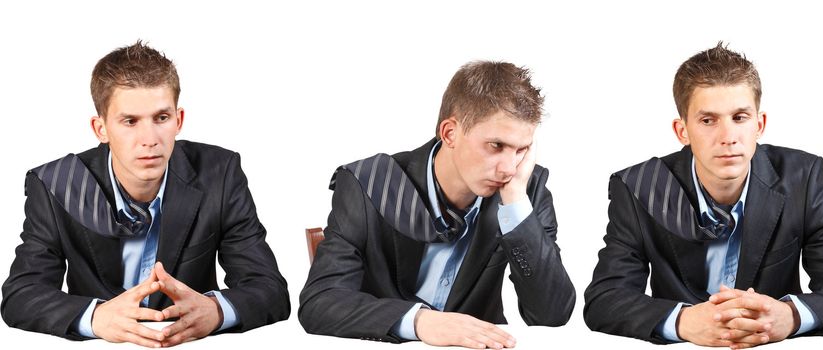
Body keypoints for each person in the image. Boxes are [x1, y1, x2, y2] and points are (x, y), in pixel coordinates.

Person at [1, 41, 290, 347]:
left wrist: (217, 311)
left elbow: (270, 290)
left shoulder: (220, 173)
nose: (149, 139)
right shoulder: (56, 184)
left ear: (178, 120)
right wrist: (95, 318)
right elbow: (21, 295)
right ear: (100, 129)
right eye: (130, 121)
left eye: (161, 118)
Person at [583, 42, 823, 347]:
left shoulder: (803, 178)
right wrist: (683, 321)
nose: (728, 138)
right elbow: (604, 300)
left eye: (740, 118)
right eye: (708, 120)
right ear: (682, 131)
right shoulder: (639, 186)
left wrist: (790, 316)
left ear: (759, 124)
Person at [299, 61, 575, 348]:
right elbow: (319, 302)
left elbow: (551, 314)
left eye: (521, 149)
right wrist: (419, 321)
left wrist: (516, 203)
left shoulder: (522, 188)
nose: (509, 168)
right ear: (450, 133)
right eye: (496, 146)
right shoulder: (367, 183)